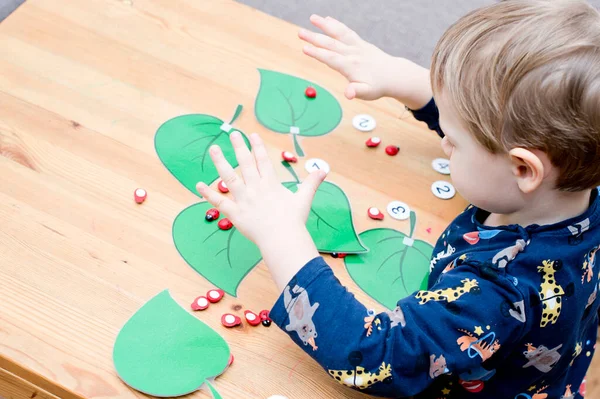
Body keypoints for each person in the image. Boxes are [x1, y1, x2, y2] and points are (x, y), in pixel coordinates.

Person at [196, 1, 600, 397]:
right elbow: (503, 135)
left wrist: (280, 236)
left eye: (454, 140)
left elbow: (373, 358)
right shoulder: (579, 174)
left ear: (525, 170)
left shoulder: (497, 292)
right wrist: (413, 84)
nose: (443, 142)